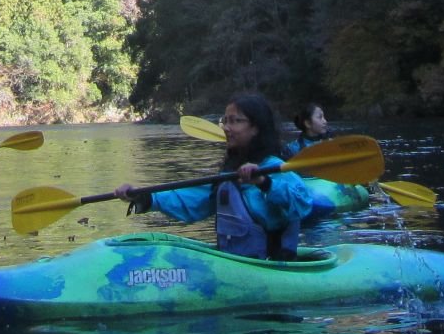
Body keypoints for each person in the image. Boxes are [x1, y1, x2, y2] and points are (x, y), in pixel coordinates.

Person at [115, 93, 313, 260]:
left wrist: (264, 182)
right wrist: (145, 197)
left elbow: (303, 203)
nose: (226, 127)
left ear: (256, 128)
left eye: (235, 121)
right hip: (236, 263)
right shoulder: (229, 174)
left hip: (273, 267)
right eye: (225, 121)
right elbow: (193, 200)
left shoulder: (274, 168)